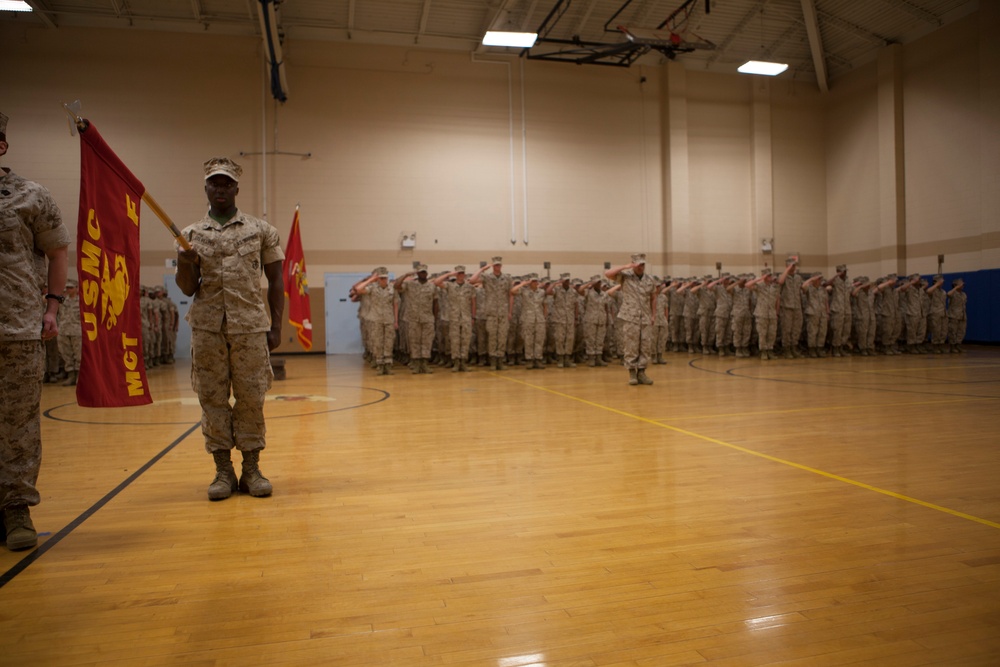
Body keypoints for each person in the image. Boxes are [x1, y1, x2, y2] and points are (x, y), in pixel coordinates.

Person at [176, 157, 284, 501]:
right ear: (205, 187)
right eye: (214, 183)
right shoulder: (190, 235)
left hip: (250, 327)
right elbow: (187, 288)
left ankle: (251, 469)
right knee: (212, 399)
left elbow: (277, 279)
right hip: (207, 328)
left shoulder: (260, 230)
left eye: (226, 184)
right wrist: (184, 262)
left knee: (252, 398)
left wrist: (276, 324)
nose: (220, 189)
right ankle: (223, 471)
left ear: (237, 188)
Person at [1, 111, 70, 550]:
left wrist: (52, 307)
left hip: (18, 328)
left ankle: (16, 509)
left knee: (18, 423)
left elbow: (58, 252)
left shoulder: (30, 195)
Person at [606, 253, 657, 385]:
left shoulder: (650, 279)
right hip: (630, 317)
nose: (641, 267)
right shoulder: (625, 277)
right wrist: (625, 266)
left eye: (643, 264)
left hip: (645, 317)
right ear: (633, 264)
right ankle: (632, 373)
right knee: (631, 345)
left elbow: (653, 298)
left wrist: (653, 315)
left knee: (645, 345)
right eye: (638, 264)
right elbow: (608, 274)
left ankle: (642, 372)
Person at [470, 257, 513, 370]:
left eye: (499, 265)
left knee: (502, 337)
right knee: (493, 337)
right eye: (495, 265)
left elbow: (510, 295)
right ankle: (493, 361)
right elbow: (472, 280)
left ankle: (500, 360)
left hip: (503, 312)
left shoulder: (507, 278)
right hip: (491, 313)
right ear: (493, 266)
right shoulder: (487, 277)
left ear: (501, 266)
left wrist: (510, 311)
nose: (497, 267)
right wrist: (483, 268)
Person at [395, 263, 437, 374]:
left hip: (428, 318)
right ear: (417, 274)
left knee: (427, 342)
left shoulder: (432, 286)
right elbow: (396, 286)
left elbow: (435, 302)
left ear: (427, 273)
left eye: (424, 272)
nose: (423, 274)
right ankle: (416, 364)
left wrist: (435, 317)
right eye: (420, 272)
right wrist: (405, 275)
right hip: (413, 318)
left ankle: (425, 364)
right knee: (414, 342)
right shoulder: (410, 285)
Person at [355, 267, 398, 374]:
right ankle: (380, 365)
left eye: (385, 278)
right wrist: (370, 280)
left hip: (389, 319)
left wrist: (396, 320)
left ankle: (388, 365)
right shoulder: (372, 288)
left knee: (389, 342)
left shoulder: (392, 288)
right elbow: (358, 289)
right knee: (378, 342)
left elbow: (395, 304)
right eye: (381, 278)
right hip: (376, 319)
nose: (384, 280)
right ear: (378, 279)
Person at [433, 266, 476, 372]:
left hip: (466, 317)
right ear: (456, 275)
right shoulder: (450, 286)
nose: (461, 275)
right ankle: (456, 362)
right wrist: (448, 275)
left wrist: (473, 316)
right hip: (454, 317)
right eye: (459, 273)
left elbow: (473, 303)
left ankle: (463, 362)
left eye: (462, 273)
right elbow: (436, 282)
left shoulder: (470, 287)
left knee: (465, 340)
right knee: (455, 340)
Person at [56, 278, 82, 385]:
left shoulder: (82, 301)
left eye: (71, 287)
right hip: (63, 330)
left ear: (76, 288)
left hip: (77, 331)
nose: (68, 290)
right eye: (67, 288)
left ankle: (79, 377)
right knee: (66, 354)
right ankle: (71, 375)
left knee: (78, 355)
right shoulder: (62, 300)